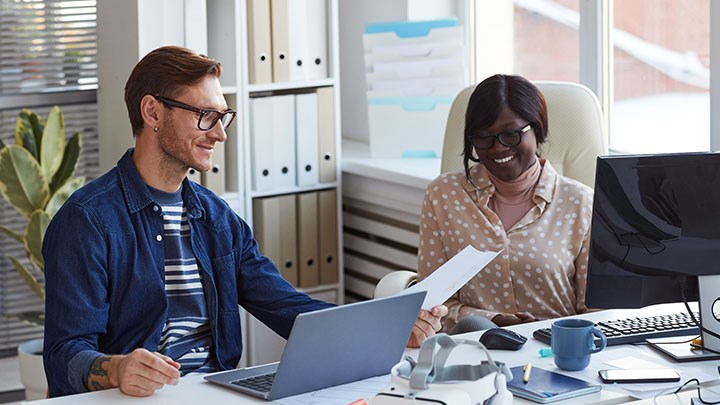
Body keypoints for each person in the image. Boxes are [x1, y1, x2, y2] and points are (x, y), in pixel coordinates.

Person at [42, 46, 445, 398]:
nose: (220, 134)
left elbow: (289, 309)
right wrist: (116, 369)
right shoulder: (88, 222)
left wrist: (388, 333)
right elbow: (65, 354)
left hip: (214, 393)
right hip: (134, 399)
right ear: (152, 112)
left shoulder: (216, 219)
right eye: (205, 116)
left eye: (222, 117)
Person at [417, 74, 593, 332]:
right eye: (484, 138)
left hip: (552, 351)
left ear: (538, 130)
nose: (498, 148)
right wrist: (491, 320)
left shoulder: (582, 203)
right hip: (473, 349)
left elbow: (598, 313)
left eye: (510, 135)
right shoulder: (443, 195)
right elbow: (432, 304)